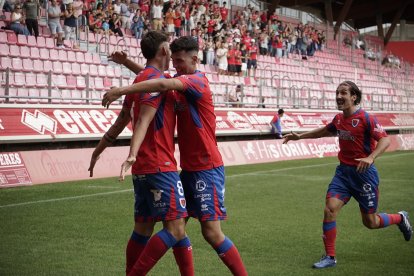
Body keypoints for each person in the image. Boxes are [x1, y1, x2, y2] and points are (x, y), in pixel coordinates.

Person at [102, 36, 248, 276]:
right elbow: (157, 79)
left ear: (195, 59)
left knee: (211, 233)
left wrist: (122, 90)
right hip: (188, 170)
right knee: (177, 228)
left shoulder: (197, 81)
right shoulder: (180, 83)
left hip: (207, 168)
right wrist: (128, 63)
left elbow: (160, 85)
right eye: (175, 60)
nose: (176, 65)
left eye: (180, 61)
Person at [88, 31, 194, 276]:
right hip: (160, 164)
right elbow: (143, 120)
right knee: (177, 228)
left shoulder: (141, 82)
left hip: (143, 170)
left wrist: (99, 149)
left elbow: (121, 121)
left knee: (144, 228)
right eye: (169, 48)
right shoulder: (153, 82)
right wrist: (131, 153)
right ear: (164, 51)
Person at [283, 81, 412, 269]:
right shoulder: (338, 119)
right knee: (330, 209)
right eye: (337, 92)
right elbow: (323, 131)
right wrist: (299, 136)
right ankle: (330, 257)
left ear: (354, 97)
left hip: (364, 175)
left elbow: (384, 139)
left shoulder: (366, 119)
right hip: (343, 173)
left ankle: (400, 218)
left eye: (343, 92)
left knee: (371, 222)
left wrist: (371, 157)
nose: (339, 96)